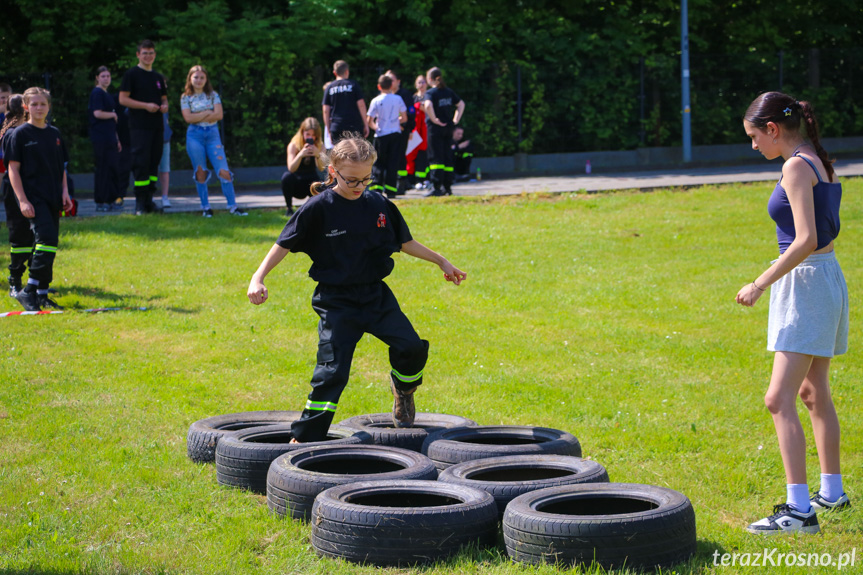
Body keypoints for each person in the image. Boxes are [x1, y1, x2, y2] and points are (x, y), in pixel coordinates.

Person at [247, 135, 467, 442]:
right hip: (337, 301)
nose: (360, 186)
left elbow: (405, 242)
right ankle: (305, 438)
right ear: (333, 171)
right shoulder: (318, 208)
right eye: (352, 180)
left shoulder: (379, 205)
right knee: (332, 372)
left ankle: (403, 389)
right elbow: (282, 244)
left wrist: (441, 261)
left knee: (412, 348)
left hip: (376, 297)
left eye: (366, 179)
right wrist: (258, 277)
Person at [739, 92, 849, 535]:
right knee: (812, 391)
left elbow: (804, 239)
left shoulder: (796, 166)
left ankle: (800, 512)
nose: (752, 147)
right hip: (824, 280)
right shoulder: (813, 158)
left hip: (806, 284)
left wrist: (760, 283)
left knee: (777, 399)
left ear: (772, 129)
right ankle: (832, 490)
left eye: (753, 137)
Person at [5, 88, 73, 311]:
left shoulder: (54, 133)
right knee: (46, 240)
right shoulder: (20, 134)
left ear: (49, 106)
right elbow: (13, 170)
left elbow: (62, 167)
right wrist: (22, 200)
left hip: (54, 196)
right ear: (26, 107)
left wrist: (65, 192)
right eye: (34, 104)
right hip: (33, 197)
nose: (39, 108)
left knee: (51, 243)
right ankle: (29, 290)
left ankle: (42, 294)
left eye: (42, 104)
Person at [180, 65, 246, 217]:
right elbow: (188, 118)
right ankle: (206, 208)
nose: (199, 80)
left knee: (223, 170)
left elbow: (219, 115)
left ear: (206, 79)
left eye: (202, 77)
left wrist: (198, 115)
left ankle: (233, 206)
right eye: (196, 77)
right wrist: (207, 112)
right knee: (200, 171)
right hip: (194, 136)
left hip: (212, 135)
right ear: (190, 79)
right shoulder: (185, 97)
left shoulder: (213, 95)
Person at [119, 39, 168, 215]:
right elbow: (123, 99)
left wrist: (164, 106)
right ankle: (139, 202)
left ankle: (149, 201)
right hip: (139, 126)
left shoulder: (157, 78)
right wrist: (145, 106)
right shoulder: (131, 74)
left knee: (154, 162)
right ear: (138, 55)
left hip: (157, 126)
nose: (148, 56)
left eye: (151, 53)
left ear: (155, 55)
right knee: (141, 162)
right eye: (145, 53)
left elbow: (164, 98)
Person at [1, 94, 34, 299]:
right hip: (16, 188)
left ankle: (34, 282)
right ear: (25, 109)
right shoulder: (14, 133)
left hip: (29, 185)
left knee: (32, 236)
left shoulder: (18, 130)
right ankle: (15, 281)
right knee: (20, 235)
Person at [422, 67, 465, 196]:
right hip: (448, 128)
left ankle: (436, 187)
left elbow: (428, 106)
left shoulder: (430, 93)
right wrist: (455, 119)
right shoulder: (448, 91)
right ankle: (448, 187)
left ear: (430, 79)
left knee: (436, 157)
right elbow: (461, 104)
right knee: (447, 156)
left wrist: (434, 119)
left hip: (435, 129)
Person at [87, 67, 122, 212]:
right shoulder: (97, 93)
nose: (106, 78)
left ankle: (112, 199)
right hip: (100, 137)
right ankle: (101, 201)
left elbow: (112, 124)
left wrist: (117, 139)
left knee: (112, 167)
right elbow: (97, 113)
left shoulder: (107, 94)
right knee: (102, 168)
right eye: (103, 76)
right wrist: (112, 115)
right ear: (97, 78)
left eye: (108, 76)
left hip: (110, 137)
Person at [366, 74, 407, 198]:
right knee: (393, 162)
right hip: (395, 134)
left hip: (381, 134)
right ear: (391, 85)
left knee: (378, 162)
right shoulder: (398, 98)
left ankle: (377, 188)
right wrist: (395, 121)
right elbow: (404, 117)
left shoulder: (376, 100)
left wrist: (376, 127)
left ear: (379, 86)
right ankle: (391, 190)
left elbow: (369, 120)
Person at [281, 117, 325, 216]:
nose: (311, 137)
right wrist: (300, 154)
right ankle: (289, 208)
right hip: (297, 181)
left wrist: (318, 154)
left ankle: (314, 208)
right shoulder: (293, 145)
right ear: (302, 132)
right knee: (286, 177)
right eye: (308, 134)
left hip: (311, 181)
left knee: (322, 184)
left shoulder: (320, 146)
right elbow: (291, 168)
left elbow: (322, 168)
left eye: (313, 135)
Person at [322, 60, 368, 144]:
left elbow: (325, 110)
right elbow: (361, 105)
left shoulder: (329, 87)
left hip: (337, 126)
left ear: (334, 72)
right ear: (347, 71)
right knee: (356, 153)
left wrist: (328, 129)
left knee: (340, 154)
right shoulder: (353, 85)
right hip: (354, 125)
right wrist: (366, 124)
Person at [385, 70, 416, 194]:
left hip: (401, 131)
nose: (389, 82)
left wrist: (403, 124)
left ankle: (401, 184)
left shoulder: (404, 95)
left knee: (400, 157)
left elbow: (411, 113)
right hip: (386, 132)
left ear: (398, 81)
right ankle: (388, 183)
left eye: (391, 79)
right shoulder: (383, 96)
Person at [406, 75, 429, 190]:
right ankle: (414, 179)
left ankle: (425, 179)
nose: (421, 84)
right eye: (419, 82)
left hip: (427, 129)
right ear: (416, 85)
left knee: (425, 155)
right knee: (412, 156)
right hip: (416, 131)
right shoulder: (413, 98)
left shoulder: (429, 96)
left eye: (423, 82)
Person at [159, 110, 171, 208]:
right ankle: (148, 196)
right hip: (149, 138)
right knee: (149, 169)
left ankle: (165, 197)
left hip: (164, 138)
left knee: (165, 169)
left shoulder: (163, 102)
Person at [0, 83, 11, 174]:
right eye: (2, 97)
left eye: (8, 97)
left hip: (12, 154)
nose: (6, 100)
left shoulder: (17, 112)